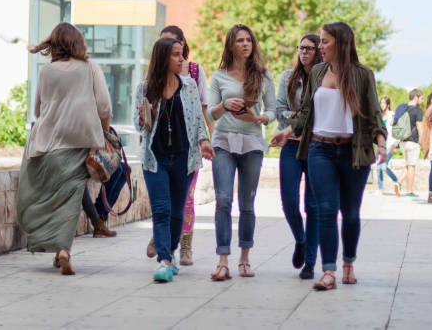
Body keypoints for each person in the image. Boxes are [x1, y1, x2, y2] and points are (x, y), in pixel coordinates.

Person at [272, 21, 386, 291]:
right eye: (320, 42)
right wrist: (287, 131)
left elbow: (373, 116)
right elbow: (308, 114)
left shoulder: (362, 75)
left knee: (350, 213)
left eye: (324, 42)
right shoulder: (318, 72)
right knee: (325, 210)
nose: (319, 47)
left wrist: (380, 143)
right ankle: (329, 271)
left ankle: (348, 263)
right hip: (319, 149)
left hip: (352, 151)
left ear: (341, 43)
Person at [17, 23, 112, 275]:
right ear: (78, 43)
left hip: (48, 144)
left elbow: (38, 110)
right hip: (79, 142)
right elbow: (104, 106)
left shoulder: (47, 71)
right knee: (71, 198)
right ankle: (63, 251)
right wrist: (104, 131)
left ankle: (52, 245)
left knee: (49, 199)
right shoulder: (90, 68)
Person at [134, 37, 214, 283]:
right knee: (161, 209)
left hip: (183, 157)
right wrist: (144, 116)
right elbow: (139, 127)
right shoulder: (145, 88)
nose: (182, 59)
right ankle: (164, 260)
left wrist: (205, 141)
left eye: (182, 54)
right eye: (177, 55)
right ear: (163, 58)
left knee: (178, 212)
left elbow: (198, 120)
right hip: (155, 158)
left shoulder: (188, 86)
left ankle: (171, 253)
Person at [208, 24, 276, 281]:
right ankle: (222, 260)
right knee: (223, 200)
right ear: (231, 45)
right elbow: (209, 113)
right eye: (240, 40)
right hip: (223, 141)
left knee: (247, 204)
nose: (245, 44)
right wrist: (224, 105)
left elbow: (273, 111)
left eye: (249, 40)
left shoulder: (264, 76)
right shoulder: (219, 76)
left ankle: (245, 259)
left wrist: (258, 118)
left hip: (252, 143)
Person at [276, 34, 322, 279]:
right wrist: (299, 118)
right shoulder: (287, 77)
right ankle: (301, 239)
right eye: (301, 48)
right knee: (289, 202)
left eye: (309, 48)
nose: (304, 52)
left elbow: (320, 114)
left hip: (315, 147)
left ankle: (311, 263)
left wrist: (296, 117)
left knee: (312, 206)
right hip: (291, 145)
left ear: (318, 51)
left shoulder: (324, 77)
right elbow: (278, 110)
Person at [394, 89, 424, 197]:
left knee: (408, 165)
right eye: (421, 98)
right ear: (416, 97)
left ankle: (398, 182)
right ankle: (409, 191)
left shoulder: (403, 108)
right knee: (412, 166)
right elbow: (420, 127)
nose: (422, 101)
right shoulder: (418, 110)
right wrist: (422, 142)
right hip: (413, 142)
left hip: (402, 141)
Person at [374, 96, 399, 195]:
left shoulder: (392, 115)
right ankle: (380, 188)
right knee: (378, 167)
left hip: (389, 145)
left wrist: (394, 144)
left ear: (388, 104)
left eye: (384, 103)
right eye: (381, 103)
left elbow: (396, 131)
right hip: (380, 145)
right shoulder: (379, 116)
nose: (382, 105)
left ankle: (397, 180)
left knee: (384, 166)